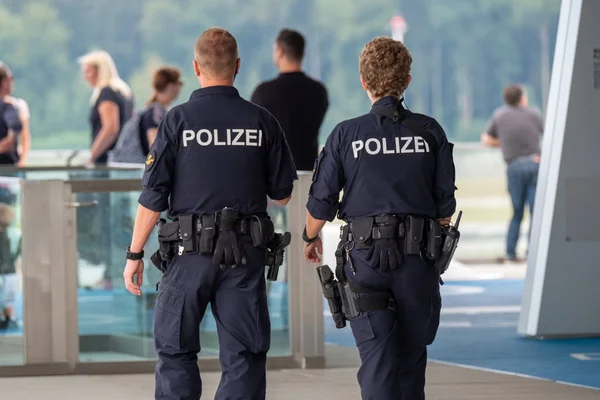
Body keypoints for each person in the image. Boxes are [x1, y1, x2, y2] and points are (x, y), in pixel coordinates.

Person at [122, 27, 297, 400]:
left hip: (188, 254)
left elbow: (153, 197)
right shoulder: (261, 121)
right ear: (237, 66)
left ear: (196, 67)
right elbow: (282, 195)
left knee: (175, 350)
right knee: (245, 356)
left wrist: (134, 253)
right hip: (245, 255)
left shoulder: (177, 121)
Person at [303, 37, 457, 400]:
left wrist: (311, 238)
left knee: (377, 362)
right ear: (407, 80)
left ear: (363, 81)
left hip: (364, 262)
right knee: (410, 361)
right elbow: (445, 206)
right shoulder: (429, 131)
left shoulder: (346, 134)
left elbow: (321, 204)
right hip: (417, 260)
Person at [251, 29, 328, 171]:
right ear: (302, 53)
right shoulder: (319, 91)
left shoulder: (263, 92)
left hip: (274, 175)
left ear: (280, 52)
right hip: (308, 173)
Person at [481, 84, 543, 262]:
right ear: (522, 98)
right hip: (534, 164)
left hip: (514, 167)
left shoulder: (499, 115)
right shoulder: (534, 114)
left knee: (516, 212)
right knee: (535, 211)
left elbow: (486, 139)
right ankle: (533, 251)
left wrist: (503, 143)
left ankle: (510, 252)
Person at [110, 66, 183, 164]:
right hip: (136, 169)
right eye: (179, 84)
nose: (180, 88)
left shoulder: (152, 109)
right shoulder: (157, 112)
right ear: (170, 86)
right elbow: (155, 146)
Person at [78, 50, 134, 165]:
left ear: (100, 70)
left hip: (107, 161)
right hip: (123, 158)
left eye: (88, 71)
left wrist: (92, 156)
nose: (85, 77)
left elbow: (110, 129)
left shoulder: (107, 93)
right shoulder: (123, 91)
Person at [0, 62, 31, 167]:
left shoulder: (18, 105)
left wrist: (22, 163)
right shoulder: (18, 106)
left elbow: (24, 138)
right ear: (4, 82)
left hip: (11, 165)